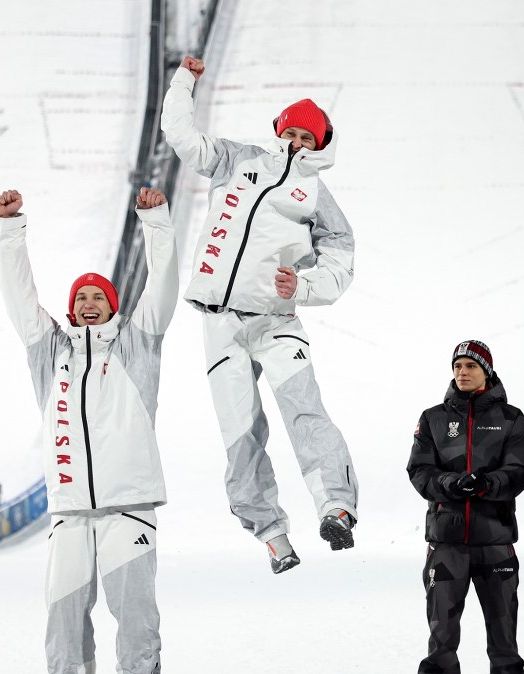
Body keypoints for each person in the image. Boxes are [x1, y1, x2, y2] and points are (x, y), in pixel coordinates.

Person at [161, 55, 360, 572]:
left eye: (307, 137)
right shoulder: (235, 159)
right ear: (278, 130)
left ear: (321, 145)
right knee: (240, 432)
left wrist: (305, 284)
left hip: (275, 323)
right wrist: (186, 80)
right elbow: (179, 135)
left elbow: (341, 261)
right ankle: (271, 534)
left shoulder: (317, 196)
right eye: (291, 131)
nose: (297, 142)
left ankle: (336, 506)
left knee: (305, 412)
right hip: (220, 322)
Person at [0, 187, 177, 674]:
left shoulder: (136, 348)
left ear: (113, 306)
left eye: (100, 296)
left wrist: (156, 221)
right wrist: (9, 229)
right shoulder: (49, 354)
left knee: (138, 627)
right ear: (72, 309)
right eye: (82, 297)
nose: (91, 302)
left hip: (129, 510)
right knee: (64, 633)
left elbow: (162, 286)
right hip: (70, 515)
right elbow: (21, 298)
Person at [407, 340, 524, 674]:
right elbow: (419, 471)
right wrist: (452, 484)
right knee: (441, 642)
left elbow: (520, 471)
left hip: (495, 543)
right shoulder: (433, 419)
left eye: (471, 366)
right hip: (446, 545)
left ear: (486, 371)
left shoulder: (512, 419)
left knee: (504, 642)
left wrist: (486, 484)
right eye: (457, 366)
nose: (462, 372)